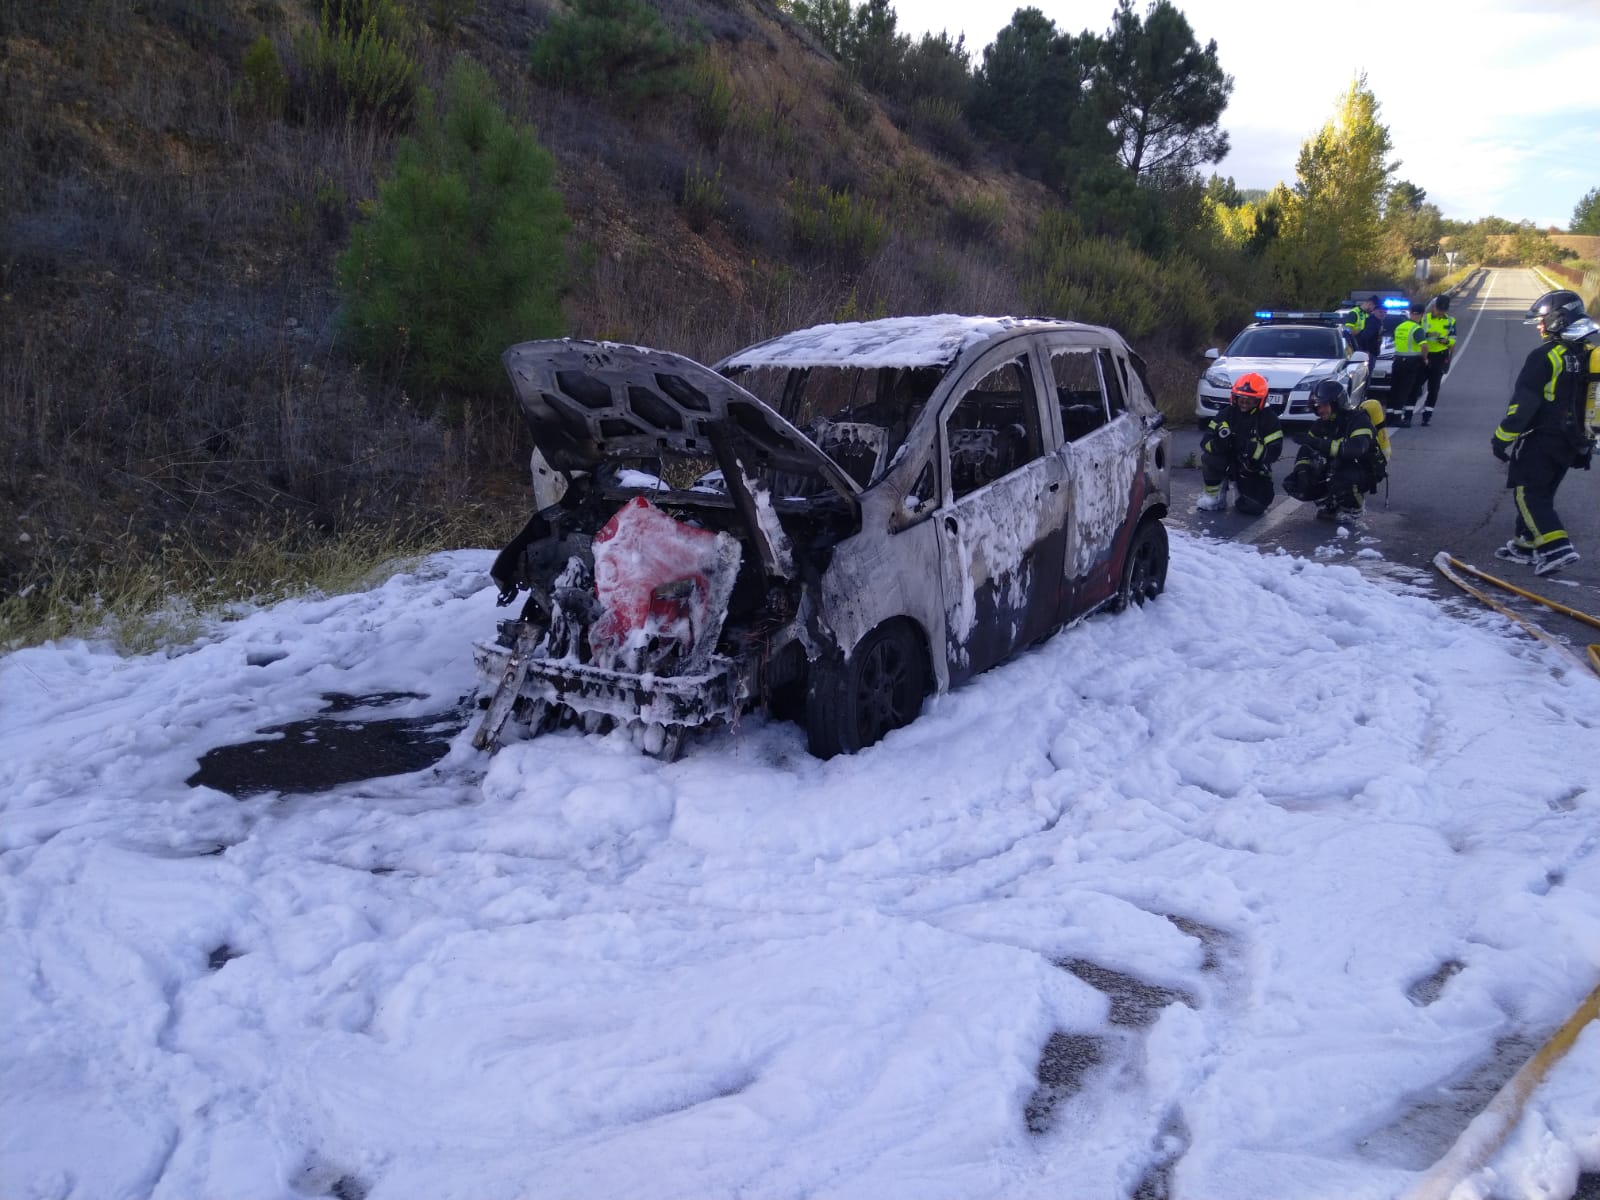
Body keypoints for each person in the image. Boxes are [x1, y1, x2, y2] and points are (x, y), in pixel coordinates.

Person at [1489, 289, 1598, 576]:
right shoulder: (1588, 352)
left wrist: (1501, 438)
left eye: (1542, 320)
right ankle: (1525, 545)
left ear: (1557, 319)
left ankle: (1556, 548)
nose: (1539, 326)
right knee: (1544, 490)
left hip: (1543, 436)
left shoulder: (1546, 355)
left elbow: (1523, 405)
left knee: (1527, 492)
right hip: (1574, 440)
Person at [1283, 378, 1382, 520]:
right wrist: (1302, 470)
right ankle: (1329, 504)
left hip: (1363, 468)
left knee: (1342, 476)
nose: (1320, 410)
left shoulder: (1358, 420)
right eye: (1317, 406)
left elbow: (1355, 450)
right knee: (1294, 481)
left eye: (1324, 405)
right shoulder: (1321, 424)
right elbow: (1305, 450)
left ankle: (1353, 509)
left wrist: (1318, 443)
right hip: (1337, 467)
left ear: (1336, 404)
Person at [1196, 371, 1283, 514]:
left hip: (1251, 466)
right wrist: (1219, 444)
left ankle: (1241, 490)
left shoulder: (1269, 419)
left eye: (1249, 401)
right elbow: (1205, 442)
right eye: (1241, 399)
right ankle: (1214, 497)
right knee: (1210, 458)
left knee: (1253, 507)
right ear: (1234, 398)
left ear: (1260, 401)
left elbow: (1273, 453)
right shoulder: (1226, 413)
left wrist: (1244, 445)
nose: (1244, 404)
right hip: (1227, 459)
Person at [1417, 294, 1458, 426]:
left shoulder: (1451, 321)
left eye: (1443, 310)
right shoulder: (1424, 318)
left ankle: (1427, 416)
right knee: (1415, 385)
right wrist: (1427, 336)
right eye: (1439, 309)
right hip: (1424, 356)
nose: (1440, 312)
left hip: (1440, 356)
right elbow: (1417, 334)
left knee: (1434, 388)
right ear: (1434, 306)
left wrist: (1447, 341)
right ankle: (1407, 414)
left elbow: (1453, 339)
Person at [1389, 304, 1426, 426]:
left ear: (1410, 313)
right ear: (1421, 315)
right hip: (1411, 362)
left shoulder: (1400, 326)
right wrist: (1425, 358)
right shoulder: (1417, 329)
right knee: (1406, 390)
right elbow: (1424, 345)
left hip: (1397, 360)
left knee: (1395, 388)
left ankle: (1389, 417)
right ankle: (1398, 418)